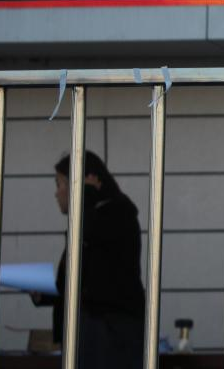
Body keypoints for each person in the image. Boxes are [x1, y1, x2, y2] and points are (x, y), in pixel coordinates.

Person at [31, 151, 144, 369]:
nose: (56, 193)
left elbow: (100, 281)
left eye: (60, 184)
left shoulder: (115, 213)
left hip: (111, 333)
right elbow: (81, 282)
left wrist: (86, 198)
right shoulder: (92, 218)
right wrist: (43, 293)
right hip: (94, 332)